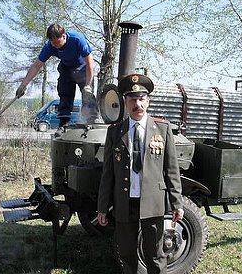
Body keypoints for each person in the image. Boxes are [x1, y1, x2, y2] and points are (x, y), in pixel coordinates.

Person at [97, 73, 184, 274]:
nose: (138, 104)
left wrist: (176, 203)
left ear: (148, 100)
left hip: (152, 203)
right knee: (127, 253)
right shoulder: (115, 132)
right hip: (124, 203)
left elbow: (171, 169)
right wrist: (102, 207)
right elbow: (108, 173)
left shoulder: (162, 129)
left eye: (142, 99)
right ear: (125, 102)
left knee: (155, 254)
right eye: (133, 100)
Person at [15, 23, 99, 136]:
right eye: (52, 42)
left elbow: (89, 62)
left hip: (84, 68)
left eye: (56, 42)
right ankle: (63, 124)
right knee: (64, 92)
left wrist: (88, 85)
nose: (54, 45)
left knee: (87, 95)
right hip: (66, 67)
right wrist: (23, 85)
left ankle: (90, 121)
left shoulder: (77, 39)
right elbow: (36, 66)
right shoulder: (49, 46)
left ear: (63, 36)